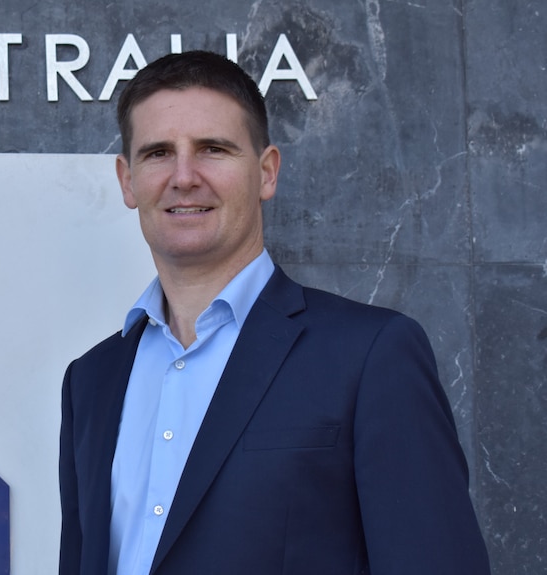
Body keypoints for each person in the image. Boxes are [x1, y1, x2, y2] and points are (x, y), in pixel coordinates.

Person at [58, 51, 490, 575]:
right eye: (158, 153)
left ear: (266, 172)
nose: (184, 176)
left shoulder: (369, 356)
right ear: (128, 180)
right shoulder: (91, 381)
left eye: (213, 149)